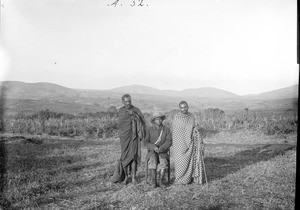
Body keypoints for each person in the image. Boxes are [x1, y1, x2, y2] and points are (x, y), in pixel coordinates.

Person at [111, 94, 146, 185]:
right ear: (123, 102)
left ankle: (134, 177)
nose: (128, 103)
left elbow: (142, 122)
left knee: (133, 157)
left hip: (134, 137)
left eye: (129, 101)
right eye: (126, 101)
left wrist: (134, 115)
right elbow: (121, 125)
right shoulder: (121, 111)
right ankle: (126, 177)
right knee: (125, 157)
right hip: (124, 137)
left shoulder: (136, 110)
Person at [172, 101, 204, 185]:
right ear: (179, 108)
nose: (184, 109)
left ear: (188, 107)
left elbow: (192, 128)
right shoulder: (177, 117)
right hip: (179, 145)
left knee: (189, 162)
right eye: (182, 107)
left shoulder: (191, 117)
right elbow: (176, 131)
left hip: (189, 144)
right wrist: (191, 128)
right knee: (180, 162)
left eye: (185, 107)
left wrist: (196, 128)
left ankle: (187, 179)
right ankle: (179, 179)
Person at [144, 112, 172, 188]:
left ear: (162, 120)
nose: (158, 121)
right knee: (152, 161)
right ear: (154, 120)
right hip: (152, 151)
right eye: (157, 119)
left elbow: (169, 141)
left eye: (160, 119)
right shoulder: (149, 130)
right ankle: (154, 181)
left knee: (163, 162)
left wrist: (162, 148)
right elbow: (146, 142)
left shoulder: (166, 130)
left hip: (163, 152)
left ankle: (160, 181)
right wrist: (153, 147)